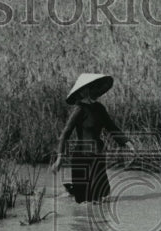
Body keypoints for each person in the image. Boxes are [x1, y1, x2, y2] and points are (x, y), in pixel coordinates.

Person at [51, 73, 131, 203]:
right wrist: (60, 157)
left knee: (101, 195)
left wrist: (127, 143)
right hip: (81, 156)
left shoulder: (100, 108)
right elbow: (65, 133)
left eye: (97, 87)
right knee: (83, 200)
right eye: (93, 87)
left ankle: (75, 192)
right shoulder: (79, 110)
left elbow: (112, 127)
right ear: (85, 91)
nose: (97, 90)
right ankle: (72, 193)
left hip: (98, 155)